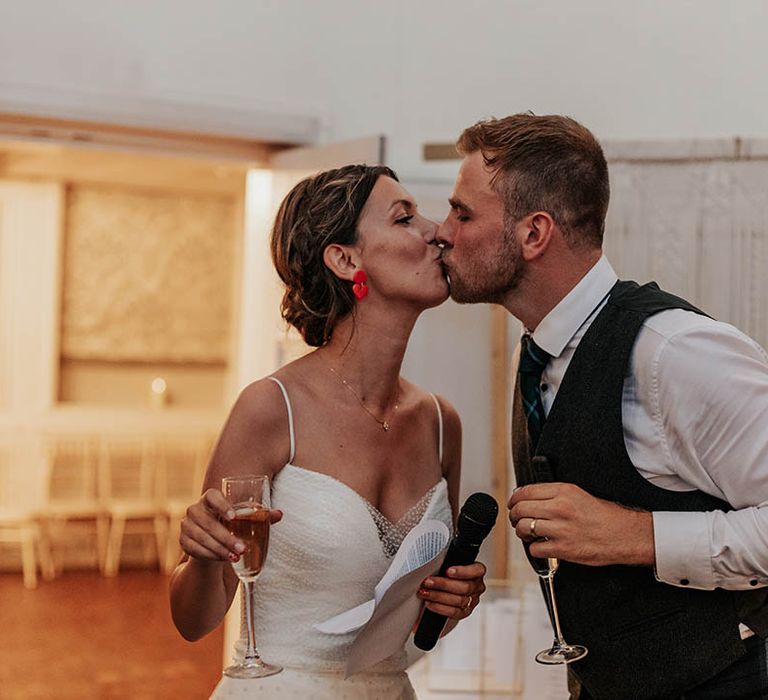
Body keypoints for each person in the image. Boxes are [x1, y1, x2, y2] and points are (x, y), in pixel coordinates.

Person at [436, 113, 768, 699]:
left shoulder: (673, 354)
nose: (443, 231)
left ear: (534, 234)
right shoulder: (538, 350)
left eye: (463, 213)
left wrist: (636, 536)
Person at [169, 164, 487, 699]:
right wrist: (201, 556)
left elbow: (417, 620)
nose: (437, 230)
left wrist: (453, 600)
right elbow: (193, 622)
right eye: (405, 218)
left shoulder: (439, 423)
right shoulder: (272, 409)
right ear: (345, 259)